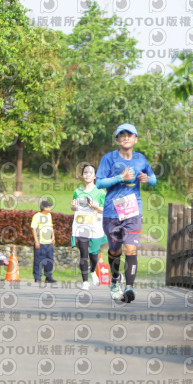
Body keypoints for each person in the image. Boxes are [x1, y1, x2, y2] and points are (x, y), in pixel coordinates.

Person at [96, 123, 156, 303]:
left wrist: (148, 179)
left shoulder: (141, 159)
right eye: (122, 135)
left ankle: (129, 287)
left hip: (133, 210)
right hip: (111, 212)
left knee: (131, 248)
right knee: (115, 250)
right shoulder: (108, 158)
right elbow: (99, 183)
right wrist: (120, 178)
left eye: (130, 135)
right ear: (117, 139)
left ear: (136, 139)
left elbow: (153, 178)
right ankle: (115, 281)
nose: (126, 137)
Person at [70, 163, 107, 290]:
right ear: (82, 175)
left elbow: (104, 209)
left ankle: (92, 271)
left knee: (94, 255)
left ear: (95, 176)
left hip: (95, 227)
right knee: (83, 253)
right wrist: (73, 206)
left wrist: (96, 207)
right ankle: (85, 281)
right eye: (85, 172)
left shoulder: (100, 192)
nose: (87, 175)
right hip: (81, 227)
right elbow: (73, 207)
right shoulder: (77, 191)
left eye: (90, 172)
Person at [31, 200, 57, 283]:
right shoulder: (37, 216)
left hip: (48, 243)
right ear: (44, 208)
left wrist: (53, 237)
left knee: (49, 260)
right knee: (38, 261)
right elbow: (34, 229)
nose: (50, 208)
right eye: (48, 207)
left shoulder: (49, 215)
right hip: (40, 242)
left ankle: (48, 276)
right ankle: (37, 277)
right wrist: (36, 241)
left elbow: (51, 226)